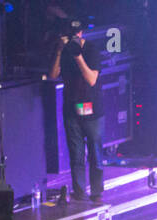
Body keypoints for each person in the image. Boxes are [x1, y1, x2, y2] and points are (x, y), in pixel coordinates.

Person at [47, 8, 104, 202]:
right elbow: (53, 75)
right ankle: (80, 192)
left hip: (92, 109)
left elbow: (91, 80)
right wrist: (59, 50)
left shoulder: (91, 50)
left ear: (81, 33)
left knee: (95, 153)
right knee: (76, 153)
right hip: (71, 108)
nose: (75, 38)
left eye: (77, 35)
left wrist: (78, 56)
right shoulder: (63, 51)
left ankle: (97, 193)